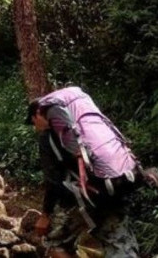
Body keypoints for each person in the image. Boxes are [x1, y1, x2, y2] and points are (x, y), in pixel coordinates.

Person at [25, 87, 155, 258]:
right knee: (119, 243)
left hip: (81, 199)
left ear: (38, 114)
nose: (36, 127)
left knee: (55, 242)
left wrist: (45, 215)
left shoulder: (49, 138)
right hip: (115, 185)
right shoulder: (90, 128)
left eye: (33, 122)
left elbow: (53, 182)